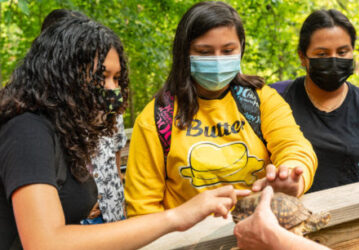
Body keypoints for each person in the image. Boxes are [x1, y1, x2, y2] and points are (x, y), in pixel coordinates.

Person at [0, 15, 250, 249]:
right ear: (61, 74)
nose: (112, 89)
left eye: (116, 78)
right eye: (101, 77)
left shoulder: (66, 132)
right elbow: (46, 242)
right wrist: (177, 216)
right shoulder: (27, 130)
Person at [124, 1, 317, 218]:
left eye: (227, 50)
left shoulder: (261, 99)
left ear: (241, 49)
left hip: (261, 230)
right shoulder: (156, 118)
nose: (217, 60)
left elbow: (294, 146)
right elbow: (142, 206)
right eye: (204, 52)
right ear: (184, 53)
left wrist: (291, 175)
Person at [270, 9, 359, 192]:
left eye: (342, 52)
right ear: (302, 57)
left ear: (352, 52)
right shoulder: (274, 98)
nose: (333, 60)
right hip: (288, 214)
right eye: (322, 54)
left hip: (356, 214)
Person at [41, 8, 128, 224]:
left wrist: (117, 191)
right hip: (77, 220)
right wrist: (80, 204)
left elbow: (115, 150)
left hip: (113, 209)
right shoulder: (43, 114)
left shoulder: (109, 100)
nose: (111, 85)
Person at [234, 186, 330, 250]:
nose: (326, 218)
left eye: (323, 218)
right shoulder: (298, 228)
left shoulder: (300, 224)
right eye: (324, 218)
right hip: (249, 211)